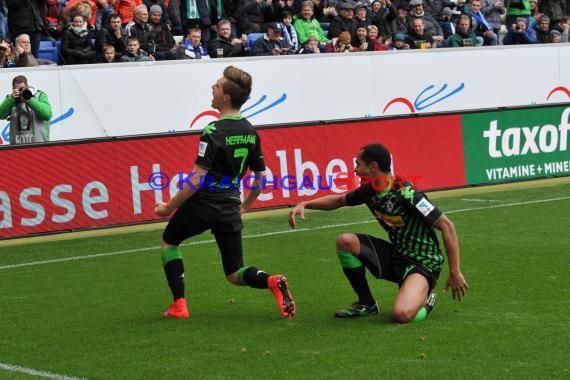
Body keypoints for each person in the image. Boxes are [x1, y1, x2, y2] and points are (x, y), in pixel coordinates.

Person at [154, 65, 296, 320]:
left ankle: (179, 305)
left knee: (169, 242)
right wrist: (246, 206)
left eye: (217, 86)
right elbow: (262, 178)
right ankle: (271, 280)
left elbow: (197, 178)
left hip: (204, 205)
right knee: (234, 272)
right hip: (230, 206)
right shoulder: (250, 131)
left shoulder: (212, 131)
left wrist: (168, 207)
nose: (213, 87)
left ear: (226, 96)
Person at [288, 143, 469, 322]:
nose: (355, 170)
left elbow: (447, 226)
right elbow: (339, 200)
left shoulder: (408, 194)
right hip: (396, 255)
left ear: (373, 166)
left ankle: (426, 302)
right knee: (345, 241)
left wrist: (455, 271)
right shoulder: (369, 190)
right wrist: (305, 204)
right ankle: (366, 304)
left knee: (402, 315)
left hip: (422, 263)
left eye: (358, 164)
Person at [0, 75, 53, 145]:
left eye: (22, 89)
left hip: (40, 146)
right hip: (16, 147)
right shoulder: (11, 99)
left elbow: (47, 115)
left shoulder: (39, 96)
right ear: (13, 89)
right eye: (17, 90)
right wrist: (11, 99)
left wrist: (30, 100)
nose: (20, 92)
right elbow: (1, 115)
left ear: (27, 87)